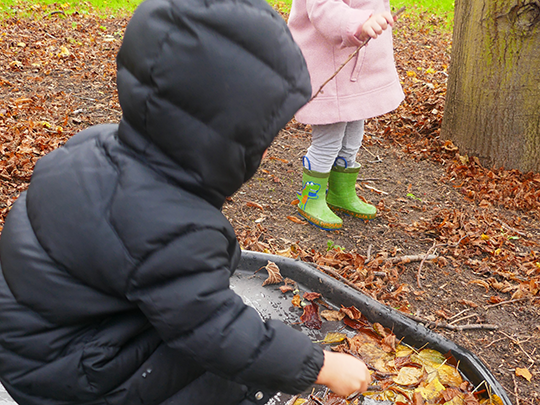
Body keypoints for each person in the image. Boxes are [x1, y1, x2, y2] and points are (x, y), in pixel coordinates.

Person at [0, 0, 371, 404]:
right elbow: (218, 333)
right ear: (227, 136)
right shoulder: (170, 226)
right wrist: (318, 366)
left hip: (34, 338)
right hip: (68, 376)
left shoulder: (95, 145)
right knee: (222, 376)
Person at [288, 0, 405, 230]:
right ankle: (309, 199)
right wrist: (360, 23)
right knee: (330, 136)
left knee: (354, 130)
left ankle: (341, 192)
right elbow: (322, 7)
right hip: (329, 59)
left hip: (358, 62)